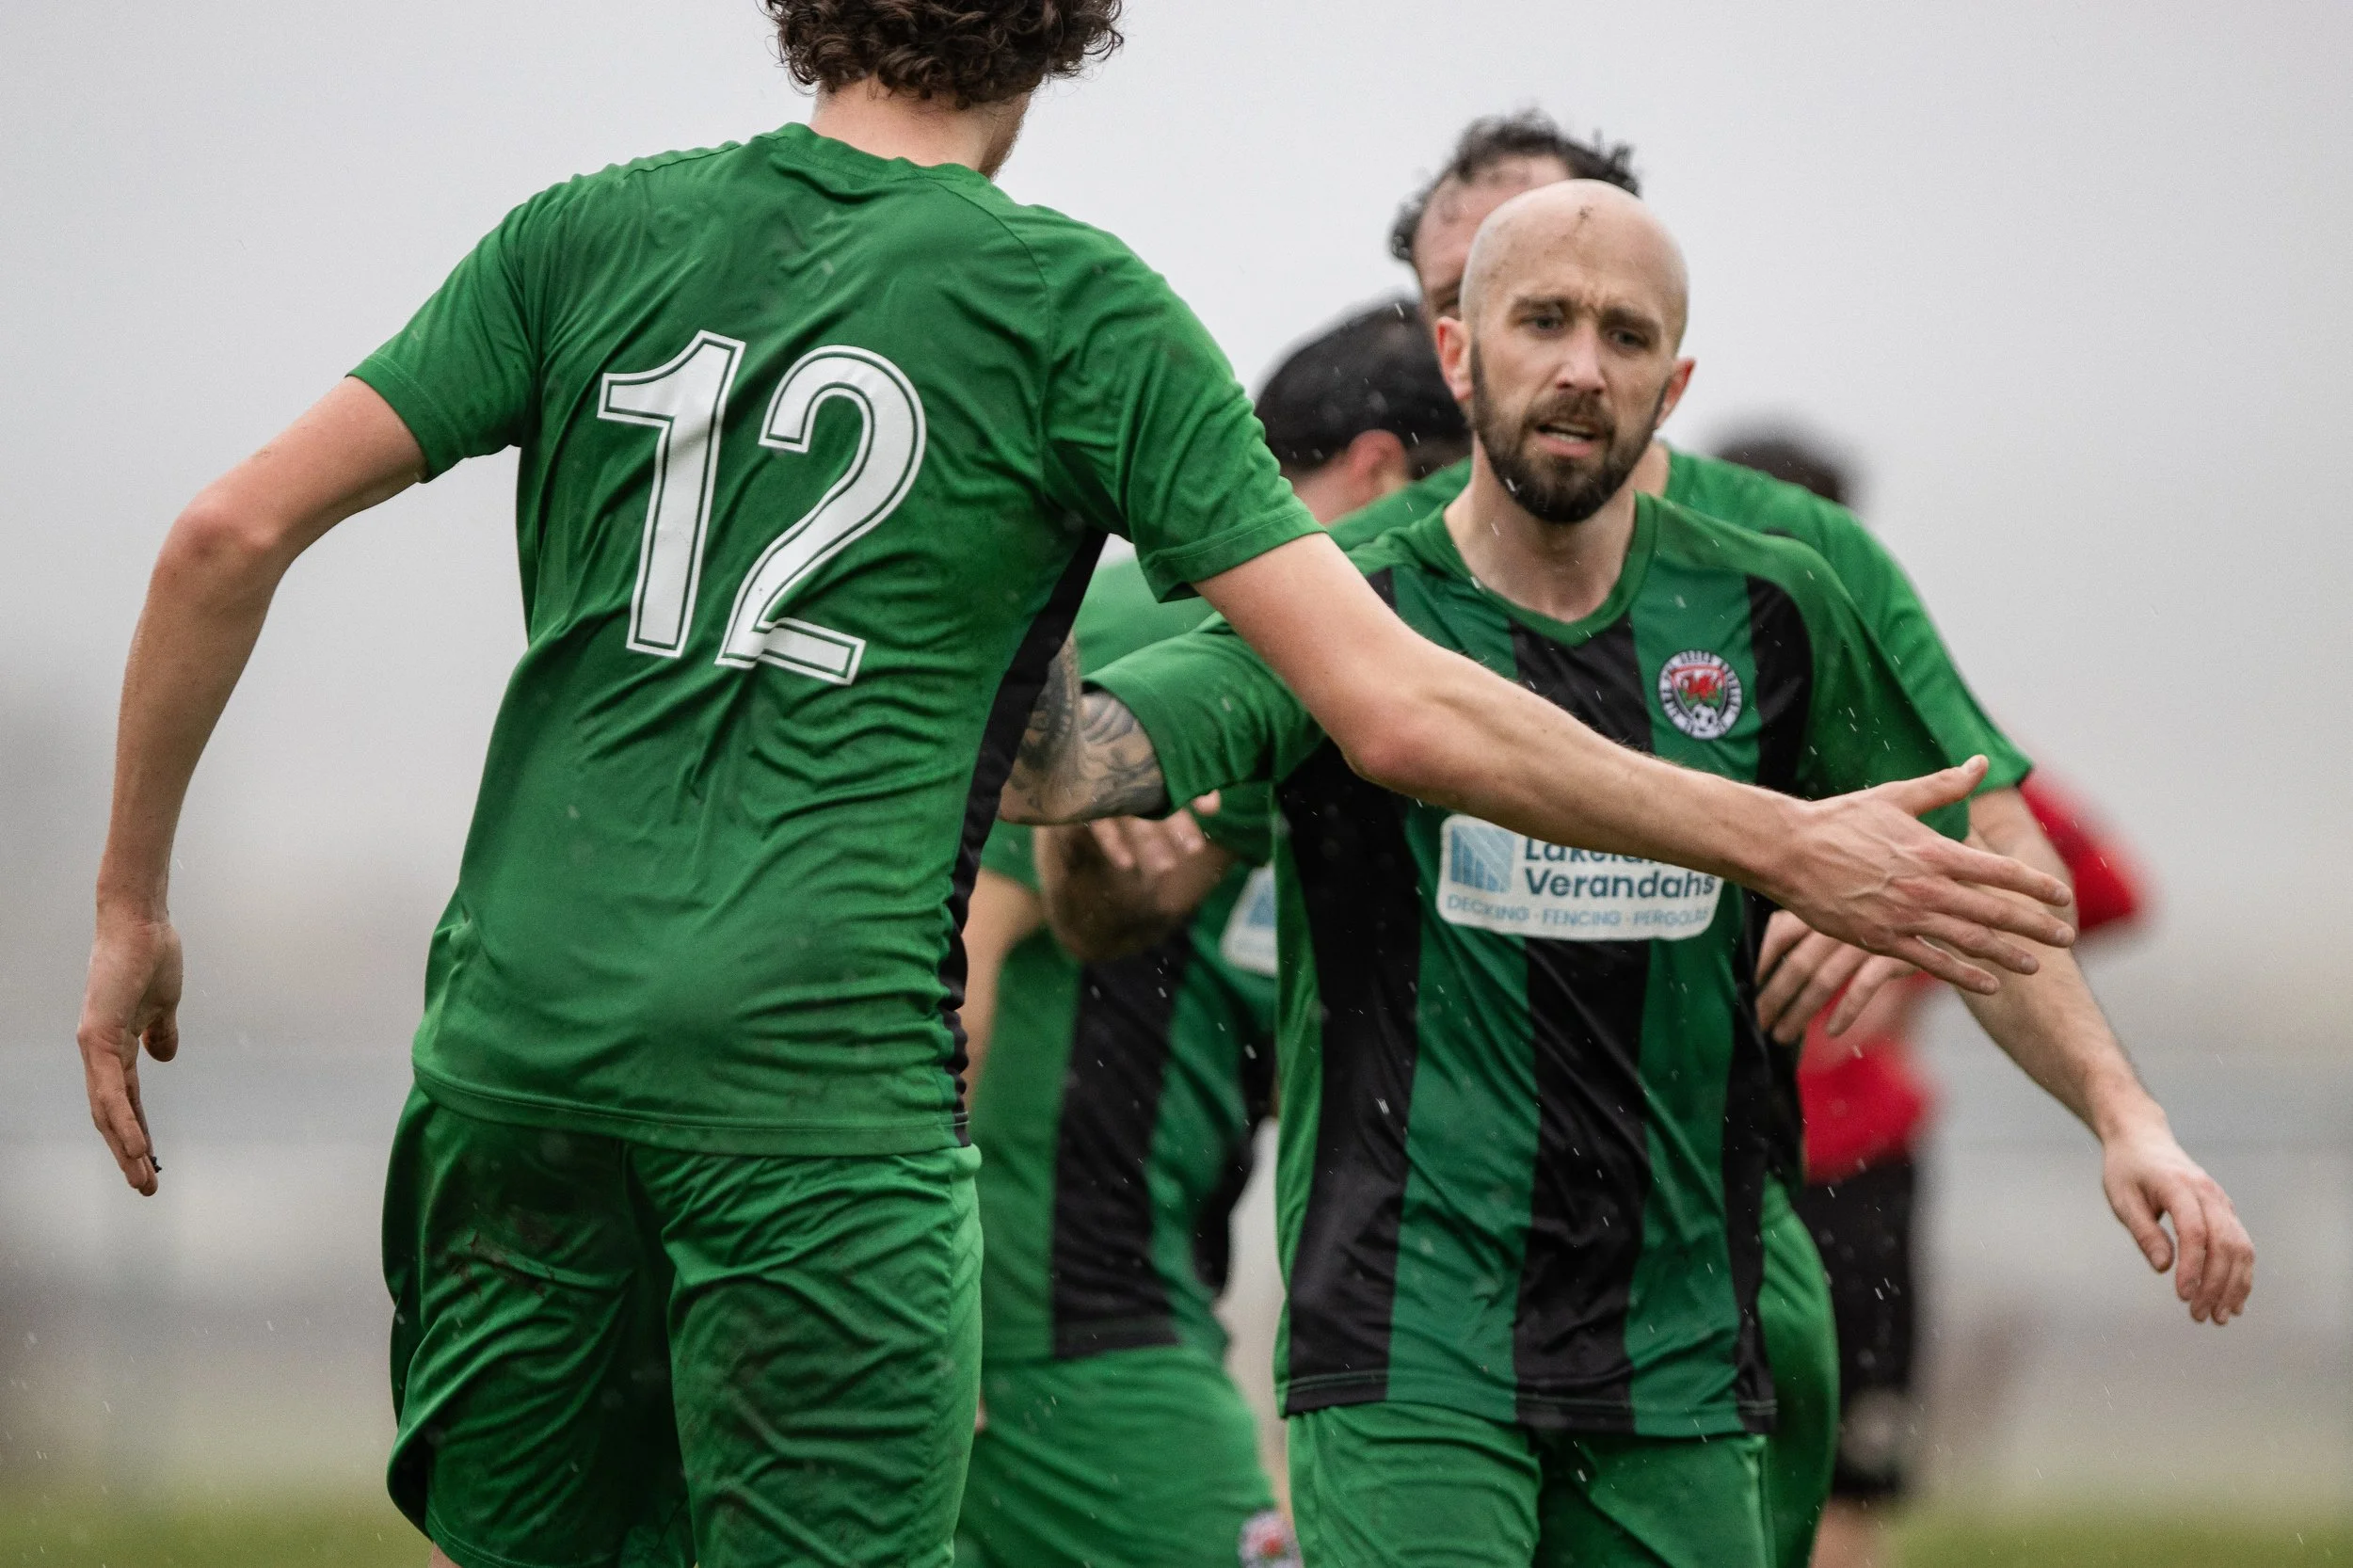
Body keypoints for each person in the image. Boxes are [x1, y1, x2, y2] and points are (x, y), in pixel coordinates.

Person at [73, 3, 2080, 1560]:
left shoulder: (584, 233)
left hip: (509, 1044)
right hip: (815, 1098)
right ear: (1058, 39)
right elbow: (1396, 709)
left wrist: (129, 906)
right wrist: (1776, 833)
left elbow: (219, 538)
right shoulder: (1072, 309)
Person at [1004, 181, 2254, 1568]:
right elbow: (1078, 786)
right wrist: (1034, 557)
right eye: (1543, 319)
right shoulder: (1343, 609)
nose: (1584, 365)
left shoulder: (1776, 602)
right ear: (1459, 351)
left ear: (1677, 382)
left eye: (1627, 333)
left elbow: (1978, 894)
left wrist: (2125, 1115)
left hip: (1680, 1345)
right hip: (1408, 1332)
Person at [952, 302, 1465, 1568]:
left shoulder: (1365, 720)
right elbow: (942, 965)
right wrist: (919, 1309)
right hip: (1049, 1309)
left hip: (1134, 1297)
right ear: (1384, 477)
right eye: (1462, 517)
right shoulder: (1158, 646)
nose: (1477, 573)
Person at [1717, 432, 2155, 1568]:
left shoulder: (1907, 740)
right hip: (1698, 1155)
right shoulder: (1678, 720)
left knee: (1847, 1497)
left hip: (1852, 1163)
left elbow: (2093, 889)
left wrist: (1916, 951)